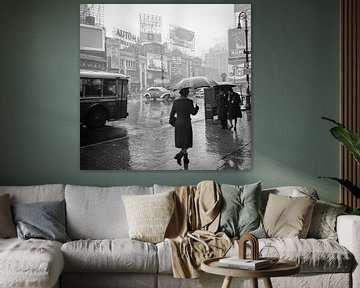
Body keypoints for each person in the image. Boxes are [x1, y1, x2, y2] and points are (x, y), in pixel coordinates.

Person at [169, 87, 199, 166]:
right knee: (186, 142)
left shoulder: (175, 102)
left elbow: (171, 115)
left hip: (178, 123)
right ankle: (179, 156)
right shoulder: (189, 102)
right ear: (187, 94)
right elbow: (193, 113)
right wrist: (196, 108)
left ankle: (186, 158)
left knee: (183, 142)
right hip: (186, 123)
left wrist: (174, 122)